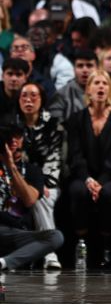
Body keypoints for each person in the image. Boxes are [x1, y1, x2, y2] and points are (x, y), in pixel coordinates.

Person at [66, 69, 111, 268]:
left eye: (104, 83)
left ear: (110, 90)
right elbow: (75, 155)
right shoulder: (76, 118)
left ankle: (106, 246)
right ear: (88, 90)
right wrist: (88, 180)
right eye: (96, 83)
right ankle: (81, 244)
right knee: (77, 191)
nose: (100, 87)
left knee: (109, 193)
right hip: (84, 175)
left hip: (110, 175)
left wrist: (100, 182)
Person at [0, 118, 64, 271]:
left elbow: (29, 200)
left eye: (17, 137)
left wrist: (11, 167)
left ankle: (4, 262)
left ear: (23, 140)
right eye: (9, 138)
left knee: (55, 237)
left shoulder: (32, 171)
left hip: (18, 232)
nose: (13, 142)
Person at [16, 81, 65, 269]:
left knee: (40, 199)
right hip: (18, 182)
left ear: (42, 100)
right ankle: (48, 250)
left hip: (49, 182)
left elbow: (55, 159)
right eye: (24, 96)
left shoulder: (53, 125)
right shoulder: (13, 126)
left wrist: (42, 183)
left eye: (33, 95)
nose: (28, 100)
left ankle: (49, 253)